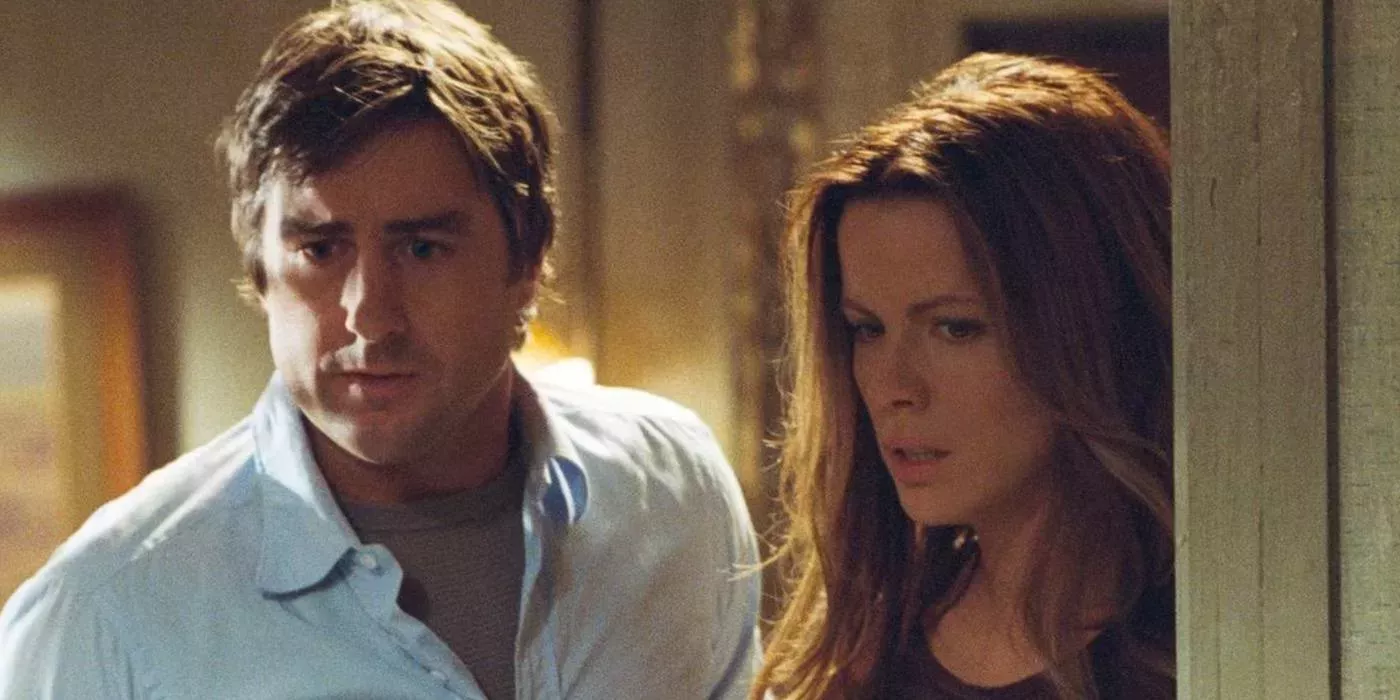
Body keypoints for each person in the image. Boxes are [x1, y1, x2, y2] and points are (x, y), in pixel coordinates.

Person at [0, 1, 760, 697]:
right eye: (321, 250)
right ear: (260, 272)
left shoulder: (672, 488)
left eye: (423, 248)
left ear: (526, 263)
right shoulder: (110, 611)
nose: (370, 316)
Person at [753, 53, 1173, 699]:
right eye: (868, 329)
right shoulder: (862, 656)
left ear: (1091, 325)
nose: (895, 388)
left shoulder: (1211, 642)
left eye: (955, 328)